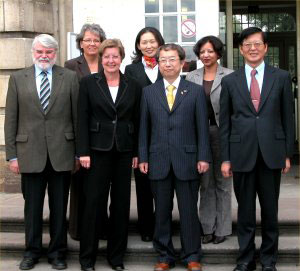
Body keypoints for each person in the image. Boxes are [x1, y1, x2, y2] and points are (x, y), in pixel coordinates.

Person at [219, 27, 294, 271]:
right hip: (242, 154)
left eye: (257, 44)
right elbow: (226, 123)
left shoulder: (281, 77)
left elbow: (287, 117)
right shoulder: (230, 81)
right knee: (246, 212)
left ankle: (269, 260)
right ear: (241, 50)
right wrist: (226, 158)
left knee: (270, 212)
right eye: (247, 45)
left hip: (272, 153)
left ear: (265, 47)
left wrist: (287, 153)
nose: (252, 48)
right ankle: (246, 259)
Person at [4, 34, 79, 270]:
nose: (44, 56)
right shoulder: (18, 78)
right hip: (29, 154)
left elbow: (77, 117)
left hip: (62, 153)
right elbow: (11, 119)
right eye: (39, 52)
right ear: (33, 53)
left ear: (55, 54)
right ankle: (32, 251)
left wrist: (78, 153)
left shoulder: (69, 77)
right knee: (33, 207)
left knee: (59, 207)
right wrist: (12, 155)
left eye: (48, 52)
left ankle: (57, 253)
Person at [139, 43, 211, 271]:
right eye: (163, 60)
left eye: (172, 60)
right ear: (158, 64)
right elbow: (144, 128)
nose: (167, 64)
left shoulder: (196, 91)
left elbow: (202, 128)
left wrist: (203, 157)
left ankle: (192, 256)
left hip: (188, 160)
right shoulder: (148, 92)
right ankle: (164, 256)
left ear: (182, 63)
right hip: (158, 159)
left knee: (189, 211)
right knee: (161, 211)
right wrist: (143, 157)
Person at [77, 39, 141, 271]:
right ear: (101, 58)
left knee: (121, 205)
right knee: (93, 204)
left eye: (115, 56)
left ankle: (116, 258)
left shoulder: (132, 84)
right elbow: (81, 118)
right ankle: (87, 259)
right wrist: (82, 151)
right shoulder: (88, 83)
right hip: (96, 151)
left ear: (121, 58)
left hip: (124, 152)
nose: (111, 60)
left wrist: (136, 152)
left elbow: (137, 120)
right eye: (107, 56)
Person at [186, 36, 233, 245]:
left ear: (218, 54)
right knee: (205, 183)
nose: (206, 55)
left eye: (210, 51)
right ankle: (206, 227)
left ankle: (222, 227)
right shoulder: (191, 77)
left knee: (223, 182)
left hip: (223, 134)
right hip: (199, 135)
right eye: (202, 52)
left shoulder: (230, 76)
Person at [64, 23, 108, 241]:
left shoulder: (108, 63)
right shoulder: (71, 66)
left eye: (96, 40)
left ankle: (100, 228)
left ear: (102, 43)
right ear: (80, 43)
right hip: (80, 129)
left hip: (103, 134)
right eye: (88, 40)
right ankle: (78, 229)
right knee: (79, 183)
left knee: (100, 184)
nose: (92, 43)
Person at [124, 27, 164, 242]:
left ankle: (162, 224)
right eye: (144, 42)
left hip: (164, 133)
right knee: (143, 184)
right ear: (138, 46)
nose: (148, 46)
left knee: (163, 183)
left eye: (152, 41)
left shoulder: (167, 65)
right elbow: (129, 107)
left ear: (159, 43)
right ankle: (146, 226)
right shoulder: (131, 70)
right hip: (140, 133)